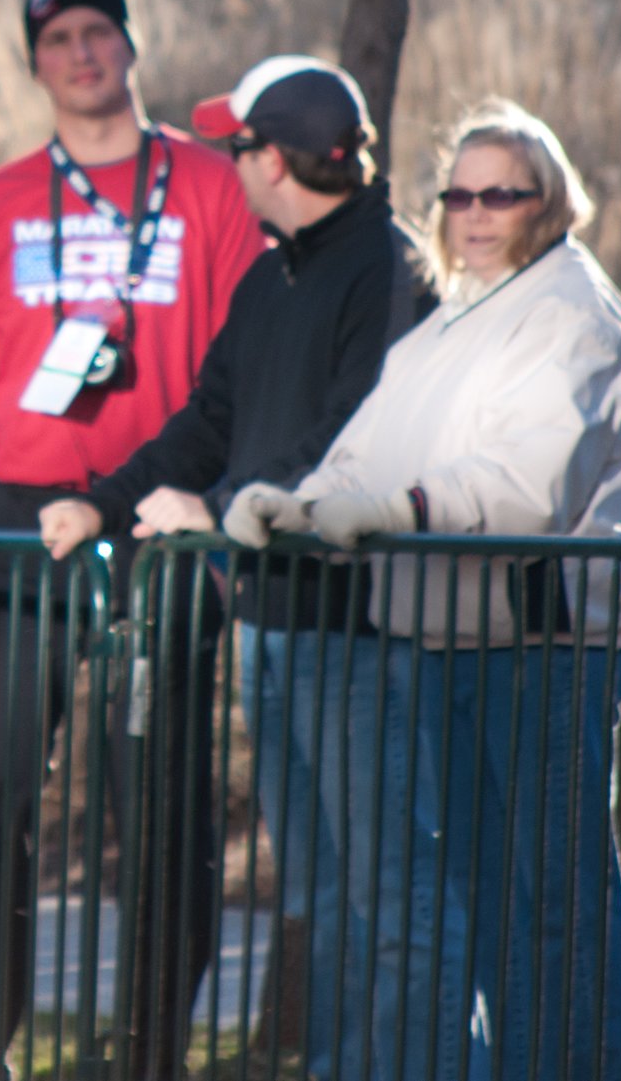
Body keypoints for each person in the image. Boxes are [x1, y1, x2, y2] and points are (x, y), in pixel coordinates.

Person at [37, 56, 426, 1080]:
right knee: (319, 888)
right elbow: (207, 423)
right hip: (272, 623)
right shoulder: (272, 272)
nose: (231, 163)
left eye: (240, 146)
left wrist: (209, 511)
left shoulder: (388, 268)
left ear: (279, 158)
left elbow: (355, 439)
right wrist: (105, 500)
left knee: (386, 892)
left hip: (363, 629)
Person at [253, 99, 621, 1081]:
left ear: (547, 201)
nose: (475, 210)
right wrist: (296, 506)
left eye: (501, 192)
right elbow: (370, 447)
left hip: (546, 647)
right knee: (486, 896)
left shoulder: (568, 310)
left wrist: (397, 504)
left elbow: (528, 484)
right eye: (460, 192)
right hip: (446, 641)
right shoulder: (461, 311)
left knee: (552, 898)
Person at [0, 0, 264, 1081]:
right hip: (20, 532)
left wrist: (221, 528)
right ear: (37, 62)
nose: (81, 52)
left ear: (130, 46)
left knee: (160, 807)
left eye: (99, 31)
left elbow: (248, 373)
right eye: (58, 36)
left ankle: (146, 1055)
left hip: (163, 529)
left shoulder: (212, 190)